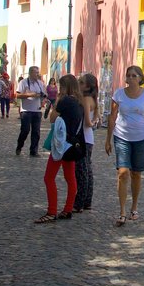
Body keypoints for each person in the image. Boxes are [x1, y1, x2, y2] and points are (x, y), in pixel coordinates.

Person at [107, 65, 144, 227]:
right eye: (128, 75)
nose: (130, 78)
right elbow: (112, 116)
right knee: (122, 173)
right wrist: (108, 139)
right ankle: (122, 211)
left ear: (140, 78)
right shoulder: (119, 94)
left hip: (142, 138)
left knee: (136, 173)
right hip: (121, 136)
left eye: (133, 76)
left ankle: (134, 207)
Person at [35, 74, 84, 224]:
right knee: (70, 178)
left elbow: (52, 118)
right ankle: (68, 209)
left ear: (66, 87)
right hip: (73, 144)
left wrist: (57, 101)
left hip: (62, 144)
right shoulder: (79, 102)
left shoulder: (65, 100)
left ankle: (51, 211)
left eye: (61, 86)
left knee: (49, 177)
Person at [73, 73, 98, 213]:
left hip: (83, 139)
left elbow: (88, 122)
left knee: (82, 172)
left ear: (87, 86)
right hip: (88, 139)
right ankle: (87, 201)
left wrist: (92, 123)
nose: (79, 84)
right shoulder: (93, 99)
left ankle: (79, 202)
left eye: (81, 82)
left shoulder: (85, 99)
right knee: (87, 170)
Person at [16, 66, 46, 157]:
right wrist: (30, 94)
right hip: (26, 110)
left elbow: (43, 94)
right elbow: (17, 95)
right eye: (35, 72)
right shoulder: (23, 82)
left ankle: (33, 151)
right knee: (25, 130)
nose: (37, 74)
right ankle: (19, 146)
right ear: (30, 73)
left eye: (38, 72)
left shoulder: (40, 83)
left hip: (37, 110)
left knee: (36, 132)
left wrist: (43, 97)